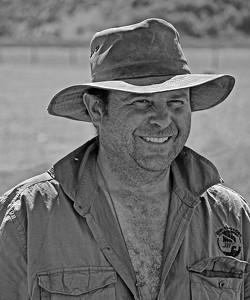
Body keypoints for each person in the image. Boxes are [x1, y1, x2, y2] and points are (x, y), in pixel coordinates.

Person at [0, 18, 249, 300]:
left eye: (176, 102)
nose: (163, 119)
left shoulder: (230, 215)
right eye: (141, 101)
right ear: (96, 109)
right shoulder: (26, 218)